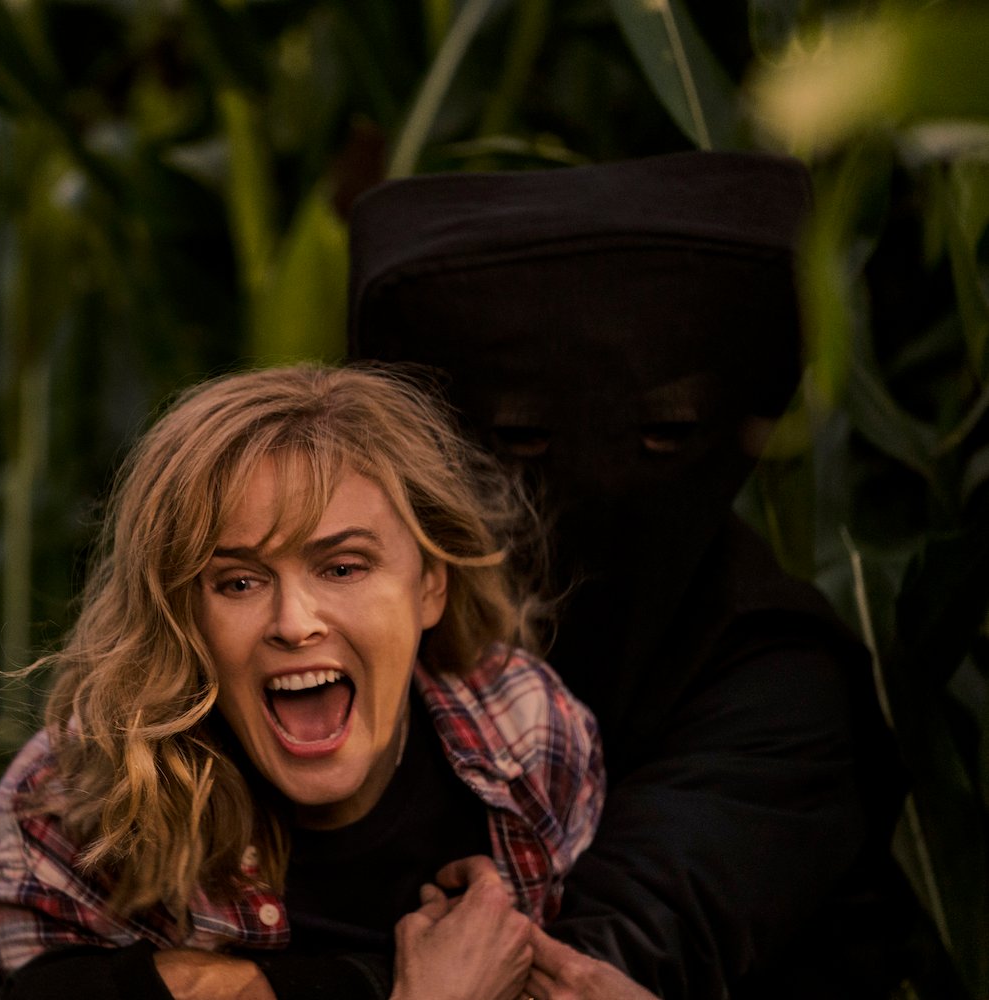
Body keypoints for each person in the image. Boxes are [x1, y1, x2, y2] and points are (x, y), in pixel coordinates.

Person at [347, 151, 906, 997]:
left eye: (663, 435)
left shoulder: (778, 677)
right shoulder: (350, 638)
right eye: (524, 437)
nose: (600, 482)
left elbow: (595, 963)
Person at [0, 364, 605, 1000]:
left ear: (430, 586)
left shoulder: (526, 737)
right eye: (240, 582)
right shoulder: (75, 811)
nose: (294, 624)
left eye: (344, 568)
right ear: (181, 617)